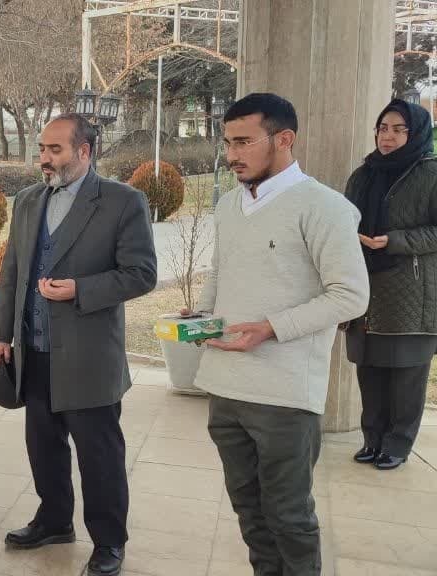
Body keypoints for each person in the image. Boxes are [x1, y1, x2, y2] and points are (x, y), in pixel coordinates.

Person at [193, 93, 369, 576]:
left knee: (289, 516)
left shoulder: (325, 207)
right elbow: (220, 271)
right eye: (228, 142)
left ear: (284, 139)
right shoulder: (229, 204)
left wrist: (270, 328)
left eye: (244, 142)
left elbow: (351, 296)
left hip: (285, 396)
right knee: (248, 510)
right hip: (225, 386)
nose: (232, 154)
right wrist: (201, 315)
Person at [0, 113, 157, 576]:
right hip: (33, 352)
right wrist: (0, 333)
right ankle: (54, 521)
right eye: (42, 149)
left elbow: (142, 274)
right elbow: (11, 272)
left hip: (89, 358)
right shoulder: (27, 200)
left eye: (55, 150)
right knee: (43, 447)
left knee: (99, 457)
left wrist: (81, 289)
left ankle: (109, 542)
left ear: (84, 151)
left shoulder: (124, 201)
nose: (44, 158)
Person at [344, 99, 437, 471]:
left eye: (399, 129)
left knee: (406, 374)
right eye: (383, 128)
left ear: (416, 134)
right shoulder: (363, 174)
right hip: (366, 285)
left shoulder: (431, 173)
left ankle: (397, 444)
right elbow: (345, 218)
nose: (388, 136)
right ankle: (373, 439)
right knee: (370, 369)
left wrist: (395, 240)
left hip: (410, 291)